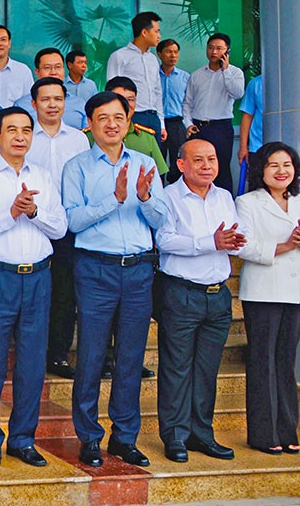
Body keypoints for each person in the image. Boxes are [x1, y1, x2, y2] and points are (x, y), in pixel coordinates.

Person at [62, 91, 165, 468]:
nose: (111, 124)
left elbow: (161, 219)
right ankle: (89, 437)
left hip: (138, 270)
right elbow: (72, 221)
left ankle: (124, 437)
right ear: (90, 124)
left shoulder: (144, 163)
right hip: (95, 269)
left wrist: (145, 197)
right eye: (102, 118)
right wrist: (115, 200)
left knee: (131, 357)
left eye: (118, 117)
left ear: (128, 121)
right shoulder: (76, 167)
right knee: (91, 355)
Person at [0, 106, 67, 468]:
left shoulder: (44, 177)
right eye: (12, 130)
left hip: (38, 277)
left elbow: (60, 228)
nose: (20, 136)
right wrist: (10, 212)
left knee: (32, 365)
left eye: (26, 130)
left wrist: (33, 212)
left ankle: (23, 439)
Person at [156, 138, 246, 463]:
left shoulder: (224, 196)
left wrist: (236, 241)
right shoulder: (168, 197)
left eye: (212, 159)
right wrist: (211, 242)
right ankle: (175, 435)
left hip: (217, 295)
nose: (207, 165)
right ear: (181, 164)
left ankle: (201, 434)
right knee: (176, 369)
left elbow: (233, 236)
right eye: (199, 160)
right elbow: (164, 240)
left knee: (207, 370)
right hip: (181, 292)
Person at [234, 142, 300, 455]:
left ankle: (287, 429)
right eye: (274, 165)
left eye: (287, 165)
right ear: (261, 169)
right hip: (263, 290)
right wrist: (285, 246)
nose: (281, 171)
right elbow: (243, 245)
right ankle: (263, 434)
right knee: (263, 361)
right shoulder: (247, 202)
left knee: (285, 361)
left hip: (295, 291)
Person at [26, 77, 91, 381]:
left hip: (66, 226)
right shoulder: (25, 136)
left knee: (64, 293)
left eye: (58, 99)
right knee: (33, 293)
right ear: (33, 103)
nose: (52, 105)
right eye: (45, 99)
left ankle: (58, 355)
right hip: (30, 222)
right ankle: (29, 353)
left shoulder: (78, 139)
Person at [183, 33, 245, 194]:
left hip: (220, 128)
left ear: (227, 51)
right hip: (198, 127)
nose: (214, 52)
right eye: (210, 47)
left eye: (219, 48)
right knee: (195, 168)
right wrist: (188, 124)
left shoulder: (235, 73)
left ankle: (223, 204)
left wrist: (226, 71)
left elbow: (237, 93)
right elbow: (188, 103)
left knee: (220, 169)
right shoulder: (196, 75)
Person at [106, 11, 166, 141]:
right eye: (156, 31)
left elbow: (157, 92)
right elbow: (112, 91)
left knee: (155, 153)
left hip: (153, 116)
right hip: (133, 116)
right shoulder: (119, 56)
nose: (159, 36)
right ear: (144, 32)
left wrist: (161, 122)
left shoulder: (153, 59)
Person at [99, 77, 169, 176]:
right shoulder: (92, 136)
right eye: (120, 99)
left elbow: (158, 177)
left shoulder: (147, 138)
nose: (126, 104)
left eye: (130, 99)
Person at [15, 48, 87, 129]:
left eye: (58, 67)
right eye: (47, 67)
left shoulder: (79, 104)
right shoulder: (22, 105)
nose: (53, 72)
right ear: (37, 72)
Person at [157, 38, 190, 181]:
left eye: (176, 52)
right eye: (169, 52)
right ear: (159, 54)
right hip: (158, 123)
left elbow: (189, 103)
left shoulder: (185, 77)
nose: (173, 55)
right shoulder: (153, 76)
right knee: (158, 161)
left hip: (177, 124)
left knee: (178, 162)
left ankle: (175, 190)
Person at [0, 25, 34, 108]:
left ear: (9, 43)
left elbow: (29, 101)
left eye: (3, 40)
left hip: (15, 115)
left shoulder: (23, 71)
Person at [239, 74, 265, 177]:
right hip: (258, 146)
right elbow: (247, 116)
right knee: (257, 183)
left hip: (290, 147)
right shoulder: (256, 83)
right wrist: (243, 146)